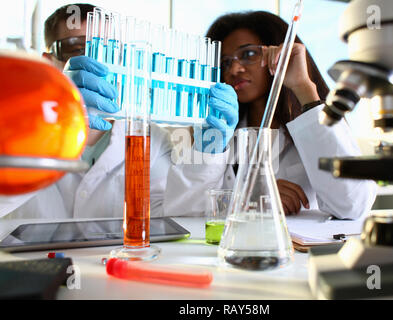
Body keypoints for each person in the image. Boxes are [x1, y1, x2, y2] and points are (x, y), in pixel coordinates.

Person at [0, 3, 238, 219]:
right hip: (28, 266)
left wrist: (206, 158)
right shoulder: (15, 130)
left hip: (106, 266)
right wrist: (57, 120)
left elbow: (173, 216)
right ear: (49, 61)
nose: (96, 62)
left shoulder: (150, 139)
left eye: (108, 50)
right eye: (76, 48)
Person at [204, 11, 378, 219]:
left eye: (248, 54)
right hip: (234, 245)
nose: (234, 69)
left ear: (278, 54)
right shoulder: (220, 131)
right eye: (225, 63)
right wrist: (252, 198)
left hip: (301, 249)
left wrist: (303, 87)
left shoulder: (313, 126)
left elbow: (353, 204)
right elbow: (190, 204)